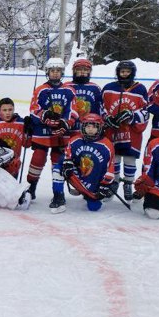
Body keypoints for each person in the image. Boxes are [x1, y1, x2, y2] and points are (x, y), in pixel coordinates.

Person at [26, 58, 78, 210]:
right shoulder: (41, 89)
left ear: (62, 73)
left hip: (61, 133)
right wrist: (44, 116)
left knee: (58, 162)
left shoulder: (69, 90)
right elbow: (33, 109)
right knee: (37, 159)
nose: (55, 73)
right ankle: (31, 187)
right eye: (52, 71)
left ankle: (58, 192)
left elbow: (73, 110)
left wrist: (65, 123)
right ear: (47, 72)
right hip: (42, 132)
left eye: (58, 71)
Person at [101, 60, 149, 200]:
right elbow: (101, 106)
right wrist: (107, 118)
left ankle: (128, 183)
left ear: (132, 73)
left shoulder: (140, 89)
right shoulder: (109, 87)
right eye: (122, 72)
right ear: (118, 73)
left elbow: (145, 111)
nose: (125, 74)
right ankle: (114, 181)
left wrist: (133, 116)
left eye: (127, 72)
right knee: (114, 157)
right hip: (112, 130)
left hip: (131, 132)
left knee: (129, 158)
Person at [59, 113, 117, 213]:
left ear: (99, 128)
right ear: (83, 127)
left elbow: (110, 167)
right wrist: (67, 164)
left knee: (94, 207)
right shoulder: (75, 140)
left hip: (94, 182)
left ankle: (88, 192)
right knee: (58, 166)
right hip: (78, 176)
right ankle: (58, 196)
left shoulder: (107, 145)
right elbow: (67, 155)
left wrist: (105, 184)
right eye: (88, 126)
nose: (90, 129)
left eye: (94, 127)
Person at [0, 97, 30, 177]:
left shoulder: (21, 123)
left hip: (13, 164)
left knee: (11, 187)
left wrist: (29, 132)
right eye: (4, 110)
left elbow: (27, 144)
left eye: (10, 110)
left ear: (14, 109)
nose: (8, 113)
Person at [64, 58, 102, 135]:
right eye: (79, 69)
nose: (82, 72)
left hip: (89, 129)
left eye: (85, 70)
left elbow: (99, 108)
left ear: (89, 72)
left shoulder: (95, 88)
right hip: (69, 127)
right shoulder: (66, 86)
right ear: (74, 71)